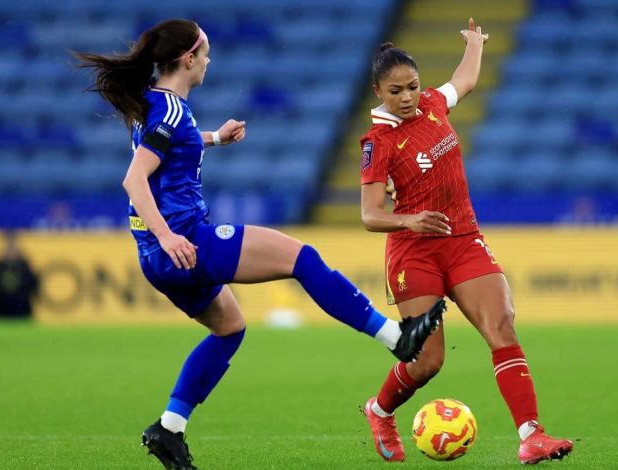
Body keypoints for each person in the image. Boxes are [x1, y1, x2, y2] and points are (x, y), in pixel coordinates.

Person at [74, 19, 445, 470]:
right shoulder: (170, 111)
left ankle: (169, 428)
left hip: (156, 257)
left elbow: (166, 151)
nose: (209, 61)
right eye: (205, 53)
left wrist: (213, 138)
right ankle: (396, 338)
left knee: (229, 326)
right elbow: (135, 179)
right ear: (188, 59)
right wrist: (169, 235)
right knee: (302, 258)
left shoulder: (154, 103)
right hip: (185, 241)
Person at [358, 19, 573, 465]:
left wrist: (475, 43)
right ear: (378, 91)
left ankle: (531, 436)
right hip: (414, 252)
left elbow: (465, 79)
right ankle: (380, 411)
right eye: (395, 91)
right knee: (428, 362)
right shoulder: (377, 142)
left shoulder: (435, 105)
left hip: (463, 239)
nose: (406, 97)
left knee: (502, 325)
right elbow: (369, 214)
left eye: (412, 87)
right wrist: (411, 219)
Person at [0, 231, 39, 320]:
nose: (11, 250)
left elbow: (33, 284)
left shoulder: (24, 266)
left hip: (21, 307)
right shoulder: (0, 266)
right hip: (3, 306)